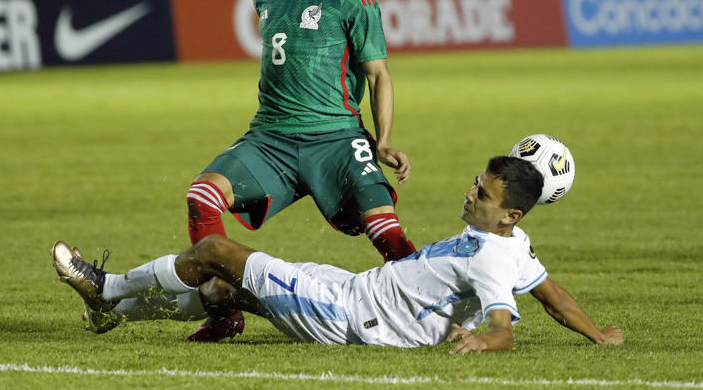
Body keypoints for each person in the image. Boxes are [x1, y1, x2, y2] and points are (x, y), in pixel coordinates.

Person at [51, 156, 625, 352]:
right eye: (476, 181)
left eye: (483, 193)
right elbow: (552, 297)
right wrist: (597, 334)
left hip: (348, 314)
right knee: (218, 290)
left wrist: (483, 339)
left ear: (509, 214)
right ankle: (114, 314)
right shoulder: (516, 246)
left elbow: (505, 327)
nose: (470, 193)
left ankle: (106, 287)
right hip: (350, 288)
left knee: (216, 248)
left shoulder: (493, 260)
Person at [173, 0, 418, 341]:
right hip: (271, 139)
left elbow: (380, 75)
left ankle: (429, 310)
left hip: (338, 138)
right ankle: (223, 310)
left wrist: (381, 140)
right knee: (202, 196)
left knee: (386, 231)